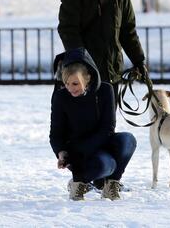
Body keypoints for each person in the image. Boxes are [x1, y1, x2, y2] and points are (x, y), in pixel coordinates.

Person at [57, 0, 148, 100]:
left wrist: (139, 61)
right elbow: (67, 30)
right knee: (84, 124)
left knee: (108, 124)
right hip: (83, 75)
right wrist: (82, 63)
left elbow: (128, 30)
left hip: (112, 72)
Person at [49, 48, 137, 201]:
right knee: (107, 164)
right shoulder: (61, 96)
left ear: (88, 78)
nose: (70, 88)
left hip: (100, 142)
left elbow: (107, 128)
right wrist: (61, 152)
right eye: (67, 83)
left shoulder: (105, 90)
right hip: (76, 153)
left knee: (128, 140)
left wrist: (86, 149)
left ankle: (110, 187)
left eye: (75, 83)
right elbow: (56, 133)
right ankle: (78, 183)